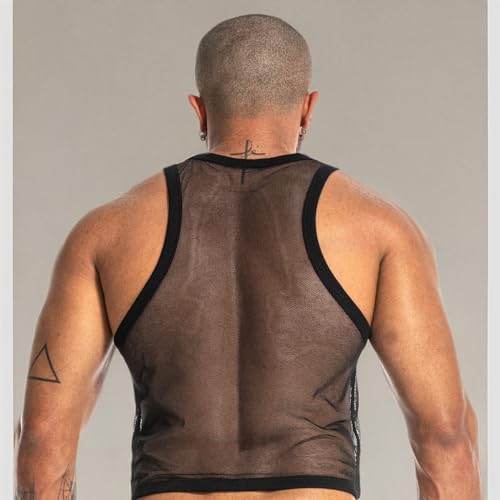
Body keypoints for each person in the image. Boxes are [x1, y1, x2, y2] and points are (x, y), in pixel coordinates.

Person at [15, 13, 481, 500]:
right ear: (308, 109)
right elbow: (446, 440)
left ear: (199, 111)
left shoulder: (106, 233)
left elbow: (42, 440)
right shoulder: (380, 229)